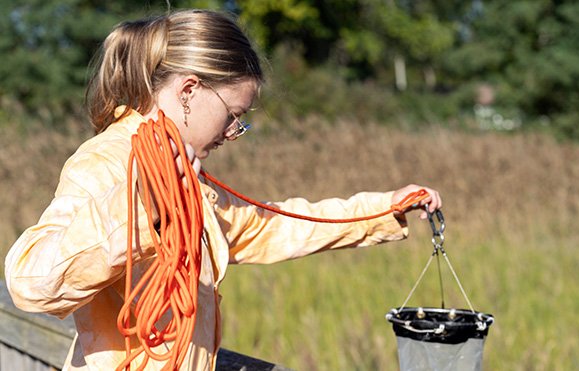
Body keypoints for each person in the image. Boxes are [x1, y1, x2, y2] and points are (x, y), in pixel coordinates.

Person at [4, 9, 441, 370]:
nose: (235, 131)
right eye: (233, 114)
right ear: (190, 90)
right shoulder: (107, 161)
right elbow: (30, 281)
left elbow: (273, 225)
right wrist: (144, 209)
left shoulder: (187, 178)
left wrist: (385, 209)